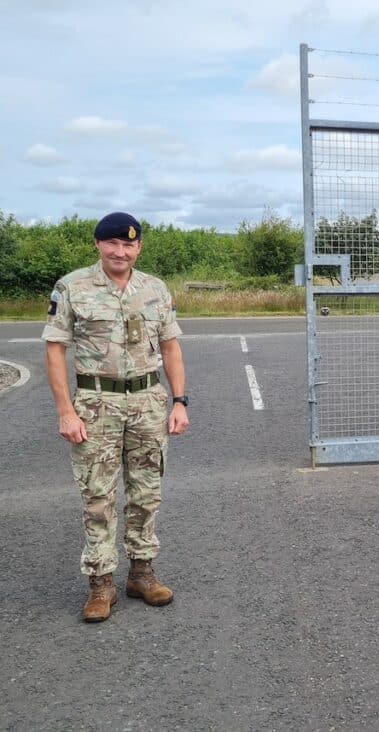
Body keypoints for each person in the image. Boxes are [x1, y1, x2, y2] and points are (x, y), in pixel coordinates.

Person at [43, 212, 190, 622]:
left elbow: (171, 346)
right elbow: (55, 350)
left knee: (146, 493)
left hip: (147, 401)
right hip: (96, 404)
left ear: (138, 247)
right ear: (98, 245)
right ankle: (101, 584)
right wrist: (65, 411)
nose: (120, 251)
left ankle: (141, 574)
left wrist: (180, 401)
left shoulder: (155, 289)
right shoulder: (72, 287)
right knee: (98, 497)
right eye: (112, 243)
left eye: (128, 244)